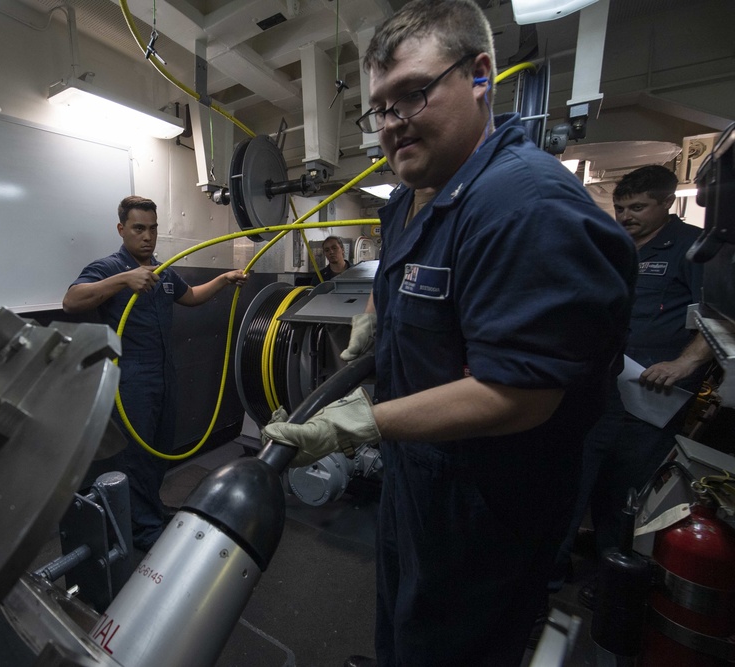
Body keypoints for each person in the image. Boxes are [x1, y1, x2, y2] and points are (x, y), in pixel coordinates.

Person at [261, 1, 637, 665]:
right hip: (418, 478)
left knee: (453, 646)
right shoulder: (414, 194)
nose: (392, 122)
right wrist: (374, 319)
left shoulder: (526, 207)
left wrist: (361, 423)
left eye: (413, 93)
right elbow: (410, 276)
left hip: (487, 502)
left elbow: (518, 394)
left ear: (480, 75)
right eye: (379, 108)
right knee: (403, 627)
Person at [558, 165, 714, 603]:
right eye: (621, 207)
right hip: (600, 383)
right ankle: (552, 567)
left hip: (652, 393)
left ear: (667, 203)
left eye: (638, 207)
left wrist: (685, 362)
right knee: (576, 478)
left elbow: (717, 316)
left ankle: (612, 582)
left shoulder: (694, 248)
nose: (626, 216)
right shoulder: (613, 245)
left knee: (624, 488)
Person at [63, 195, 247, 551]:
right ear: (121, 229)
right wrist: (124, 280)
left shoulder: (164, 271)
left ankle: (150, 509)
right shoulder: (109, 267)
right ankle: (143, 530)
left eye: (153, 228)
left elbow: (191, 296)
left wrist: (224, 279)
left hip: (164, 375)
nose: (147, 236)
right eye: (138, 229)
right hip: (131, 379)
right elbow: (72, 300)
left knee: (159, 450)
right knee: (135, 456)